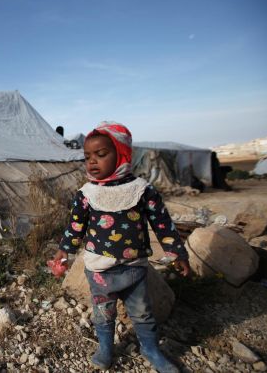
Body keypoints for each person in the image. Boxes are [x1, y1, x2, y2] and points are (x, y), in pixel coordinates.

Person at [52, 122, 190, 373]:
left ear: (122, 153)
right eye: (87, 157)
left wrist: (177, 252)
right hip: (100, 270)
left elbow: (162, 223)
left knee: (143, 313)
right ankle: (105, 348)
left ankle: (151, 349)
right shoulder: (86, 193)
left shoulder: (141, 190)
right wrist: (65, 250)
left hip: (134, 268)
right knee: (103, 313)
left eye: (101, 154)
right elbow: (75, 226)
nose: (92, 161)